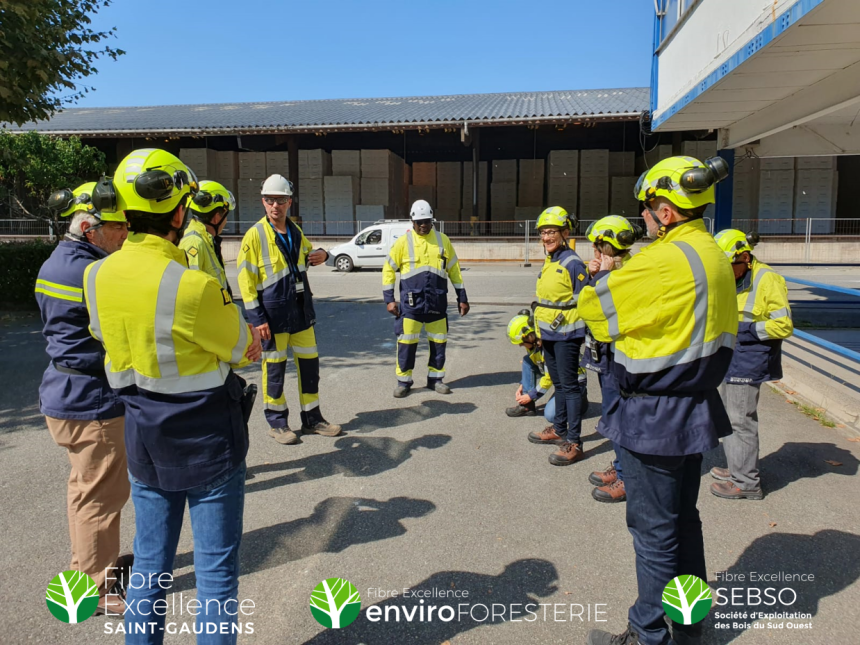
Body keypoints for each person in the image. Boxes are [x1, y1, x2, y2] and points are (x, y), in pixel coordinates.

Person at [84, 148, 262, 643]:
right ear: (180, 212)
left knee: (148, 569)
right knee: (216, 580)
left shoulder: (95, 275)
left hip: (144, 438)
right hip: (209, 443)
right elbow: (242, 349)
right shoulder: (194, 286)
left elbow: (105, 338)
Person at [580, 156, 736, 645]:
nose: (642, 219)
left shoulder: (662, 259)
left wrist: (602, 274)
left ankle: (647, 633)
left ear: (666, 211)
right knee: (683, 522)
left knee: (652, 533)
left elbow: (594, 309)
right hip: (694, 408)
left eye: (646, 209)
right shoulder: (713, 254)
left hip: (653, 412)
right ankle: (689, 624)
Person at [38, 183, 131, 616]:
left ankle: (89, 565)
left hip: (63, 393)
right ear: (90, 229)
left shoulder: (57, 262)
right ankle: (95, 589)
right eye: (117, 226)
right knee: (100, 498)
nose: (125, 232)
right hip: (92, 401)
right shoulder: (94, 274)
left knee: (84, 491)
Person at [236, 174, 341, 445]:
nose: (275, 206)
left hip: (301, 314)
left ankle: (312, 419)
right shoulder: (255, 235)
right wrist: (257, 318)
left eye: (280, 200)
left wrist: (323, 254)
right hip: (273, 317)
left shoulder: (294, 230)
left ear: (289, 202)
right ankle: (278, 422)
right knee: (274, 370)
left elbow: (308, 252)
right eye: (270, 200)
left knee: (309, 367)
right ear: (263, 201)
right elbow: (245, 281)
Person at [711, 229, 793, 500]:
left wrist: (742, 330)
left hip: (748, 357)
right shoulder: (734, 276)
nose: (725, 272)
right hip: (731, 356)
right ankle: (738, 467)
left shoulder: (767, 279)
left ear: (745, 257)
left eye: (729, 266)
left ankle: (746, 483)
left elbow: (784, 325)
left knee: (740, 420)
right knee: (730, 417)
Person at [582, 216, 643, 504]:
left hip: (621, 355)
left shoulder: (628, 273)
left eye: (597, 246)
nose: (594, 251)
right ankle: (620, 467)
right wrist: (594, 274)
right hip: (606, 353)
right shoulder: (616, 268)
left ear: (609, 246)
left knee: (621, 418)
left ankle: (628, 478)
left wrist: (599, 279)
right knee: (612, 415)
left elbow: (593, 310)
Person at [382, 199, 469, 397]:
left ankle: (436, 379)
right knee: (406, 343)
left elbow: (454, 270)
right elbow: (388, 269)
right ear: (412, 222)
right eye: (419, 222)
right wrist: (389, 299)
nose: (423, 225)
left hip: (437, 303)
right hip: (410, 305)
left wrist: (462, 297)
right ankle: (404, 381)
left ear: (432, 221)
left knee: (439, 343)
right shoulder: (403, 242)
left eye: (427, 221)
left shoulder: (443, 240)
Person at [526, 206, 590, 466]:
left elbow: (586, 302)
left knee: (570, 387)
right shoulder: (550, 260)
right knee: (561, 386)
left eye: (551, 231)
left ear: (565, 232)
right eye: (542, 232)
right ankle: (559, 429)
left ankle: (574, 442)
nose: (546, 237)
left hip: (567, 336)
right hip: (549, 335)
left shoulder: (573, 263)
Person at [506, 309, 588, 422]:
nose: (520, 346)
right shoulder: (534, 344)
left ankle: (579, 403)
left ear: (530, 336)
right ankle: (527, 406)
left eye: (521, 343)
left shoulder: (547, 347)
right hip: (559, 376)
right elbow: (535, 362)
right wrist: (523, 386)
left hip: (574, 383)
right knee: (527, 360)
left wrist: (531, 395)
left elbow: (549, 377)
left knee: (551, 415)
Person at [179, 180, 236, 294]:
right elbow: (191, 292)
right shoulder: (194, 243)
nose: (226, 221)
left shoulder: (207, 241)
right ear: (216, 218)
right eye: (225, 216)